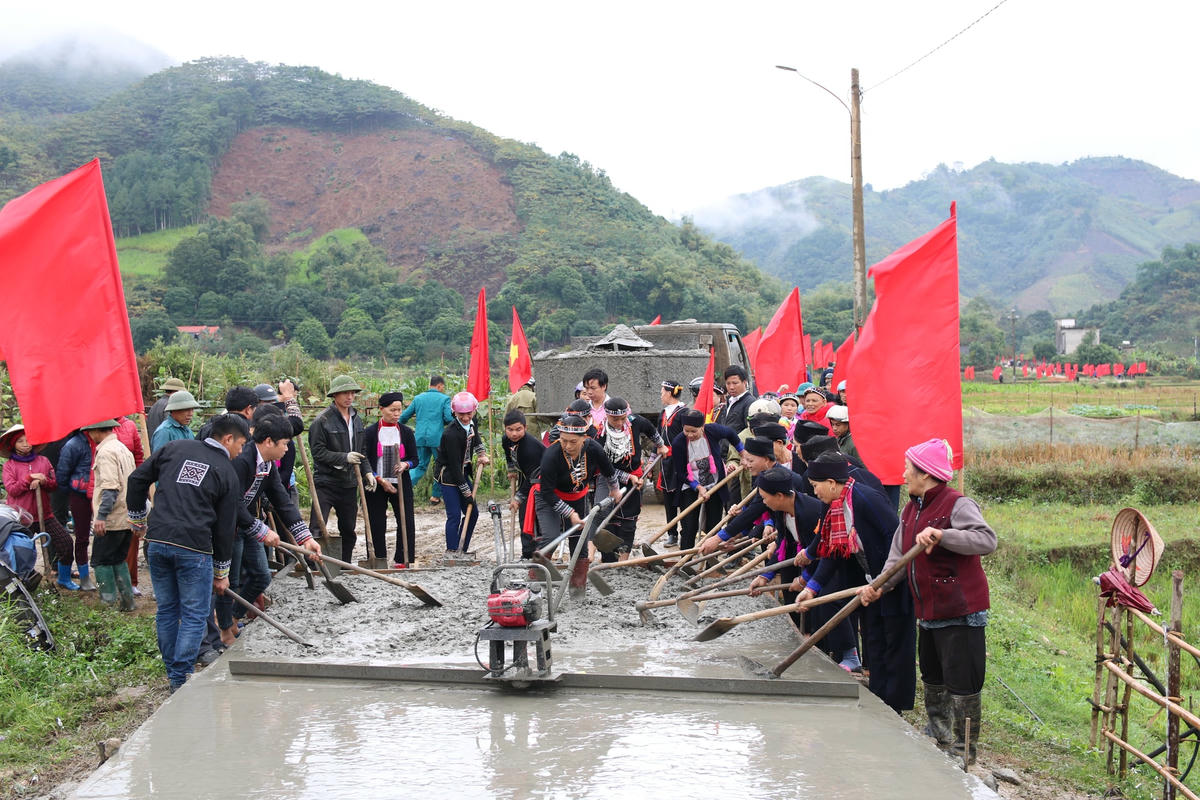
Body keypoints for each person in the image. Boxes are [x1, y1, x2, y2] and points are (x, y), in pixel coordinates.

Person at [858, 439, 997, 765]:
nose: (904, 475)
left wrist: (943, 536)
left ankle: (964, 755)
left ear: (926, 474)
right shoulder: (909, 510)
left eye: (909, 469)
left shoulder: (957, 505)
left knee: (962, 684)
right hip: (929, 609)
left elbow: (986, 540)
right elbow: (898, 560)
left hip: (960, 609)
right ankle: (939, 737)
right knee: (933, 678)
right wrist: (878, 586)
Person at [127, 414, 247, 693]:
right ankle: (180, 678)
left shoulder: (175, 448)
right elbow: (224, 528)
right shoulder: (226, 472)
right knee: (194, 614)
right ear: (228, 439)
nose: (240, 451)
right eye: (241, 445)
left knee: (167, 610)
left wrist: (137, 519)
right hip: (194, 549)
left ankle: (173, 672)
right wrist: (221, 573)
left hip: (157, 542)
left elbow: (137, 479)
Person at [793, 452, 913, 709]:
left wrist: (885, 582)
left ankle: (895, 708)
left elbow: (896, 539)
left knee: (895, 644)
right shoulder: (835, 505)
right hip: (867, 582)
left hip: (892, 580)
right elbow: (831, 551)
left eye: (815, 486)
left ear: (832, 482)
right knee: (874, 639)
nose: (814, 492)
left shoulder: (866, 499)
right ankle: (878, 701)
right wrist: (812, 588)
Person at [217, 411, 323, 645]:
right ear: (268, 442)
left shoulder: (267, 464)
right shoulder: (242, 460)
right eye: (284, 444)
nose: (287, 450)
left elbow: (282, 500)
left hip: (249, 523)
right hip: (227, 525)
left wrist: (304, 538)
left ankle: (232, 616)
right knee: (230, 581)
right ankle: (224, 630)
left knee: (261, 576)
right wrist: (261, 530)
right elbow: (230, 502)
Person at [535, 414, 618, 589]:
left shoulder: (593, 448)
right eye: (564, 440)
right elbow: (547, 492)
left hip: (578, 497)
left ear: (584, 438)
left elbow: (609, 471)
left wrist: (615, 490)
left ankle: (577, 587)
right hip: (550, 497)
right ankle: (536, 580)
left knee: (579, 539)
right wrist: (570, 513)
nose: (567, 446)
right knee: (551, 537)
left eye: (573, 442)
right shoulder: (551, 454)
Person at [594, 397, 667, 562]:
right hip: (609, 478)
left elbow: (652, 431)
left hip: (635, 475)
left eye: (622, 418)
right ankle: (608, 559)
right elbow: (604, 467)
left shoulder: (635, 421)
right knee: (606, 517)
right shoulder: (600, 434)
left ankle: (624, 559)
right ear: (606, 415)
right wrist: (627, 477)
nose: (620, 422)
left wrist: (661, 445)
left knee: (629, 518)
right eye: (615, 419)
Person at [1, 425, 73, 588]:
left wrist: (43, 481)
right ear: (13, 445)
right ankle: (24, 582)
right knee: (22, 551)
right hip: (21, 519)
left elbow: (54, 485)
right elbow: (11, 489)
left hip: (45, 514)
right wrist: (28, 479)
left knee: (66, 543)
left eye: (28, 440)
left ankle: (64, 577)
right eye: (20, 441)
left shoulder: (43, 461)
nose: (26, 444)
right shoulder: (10, 466)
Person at [308, 375, 369, 562]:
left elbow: (362, 450)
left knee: (348, 529)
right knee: (318, 526)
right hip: (326, 482)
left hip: (349, 483)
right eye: (345, 393)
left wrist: (367, 471)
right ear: (335, 395)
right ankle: (313, 564)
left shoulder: (357, 420)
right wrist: (344, 458)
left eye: (352, 393)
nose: (349, 397)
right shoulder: (322, 421)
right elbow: (318, 452)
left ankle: (345, 564)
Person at [669, 409, 743, 550]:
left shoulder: (712, 430)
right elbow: (681, 473)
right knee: (689, 525)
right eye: (686, 431)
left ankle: (710, 562)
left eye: (694, 431)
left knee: (713, 525)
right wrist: (698, 487)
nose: (690, 435)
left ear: (702, 427)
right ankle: (685, 559)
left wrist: (743, 453)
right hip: (690, 486)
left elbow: (731, 434)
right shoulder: (679, 442)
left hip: (715, 484)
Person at [83, 419, 138, 611]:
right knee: (118, 559)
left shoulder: (105, 452)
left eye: (90, 431)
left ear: (97, 431)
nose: (89, 435)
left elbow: (110, 488)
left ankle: (107, 606)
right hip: (126, 516)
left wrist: (101, 517)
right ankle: (127, 603)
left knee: (101, 561)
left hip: (112, 519)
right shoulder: (123, 448)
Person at [361, 392, 418, 567]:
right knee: (376, 521)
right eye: (392, 410)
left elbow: (415, 459)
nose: (396, 414)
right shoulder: (370, 433)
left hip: (401, 482)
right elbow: (365, 459)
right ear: (381, 409)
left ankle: (403, 559)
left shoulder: (406, 433)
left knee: (406, 520)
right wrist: (378, 479)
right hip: (376, 483)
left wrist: (405, 465)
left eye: (399, 410)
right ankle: (379, 559)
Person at [436, 392, 490, 555]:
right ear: (454, 412)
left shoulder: (472, 423)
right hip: (449, 476)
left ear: (473, 411)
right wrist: (466, 492)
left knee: (472, 513)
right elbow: (453, 466)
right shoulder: (450, 434)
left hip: (463, 472)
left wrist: (481, 454)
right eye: (461, 414)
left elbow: (476, 439)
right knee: (454, 515)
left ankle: (462, 548)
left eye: (468, 413)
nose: (466, 417)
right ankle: (452, 550)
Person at [401, 375, 452, 506]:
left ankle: (402, 490)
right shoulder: (444, 399)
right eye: (443, 387)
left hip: (420, 437)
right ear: (440, 386)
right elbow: (448, 417)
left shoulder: (418, 398)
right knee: (441, 466)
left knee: (419, 466)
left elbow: (404, 416)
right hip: (437, 439)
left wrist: (397, 427)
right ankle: (435, 496)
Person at [56, 427, 97, 590]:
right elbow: (62, 474)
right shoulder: (73, 445)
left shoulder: (103, 442)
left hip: (100, 492)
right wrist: (73, 492)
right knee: (82, 536)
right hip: (79, 494)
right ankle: (84, 576)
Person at [502, 410, 545, 559]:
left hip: (542, 480)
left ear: (525, 428)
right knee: (523, 516)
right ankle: (527, 554)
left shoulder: (530, 448)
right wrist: (512, 469)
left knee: (533, 516)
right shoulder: (506, 440)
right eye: (510, 430)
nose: (514, 434)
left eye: (518, 429)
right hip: (527, 477)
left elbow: (533, 476)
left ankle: (537, 553)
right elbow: (508, 455)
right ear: (505, 428)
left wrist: (518, 497)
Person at [657, 381, 688, 547]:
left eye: (662, 391)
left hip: (680, 460)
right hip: (666, 461)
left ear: (669, 392)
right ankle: (672, 533)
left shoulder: (684, 412)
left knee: (682, 497)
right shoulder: (663, 413)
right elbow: (658, 437)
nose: (661, 395)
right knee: (668, 498)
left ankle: (686, 533)